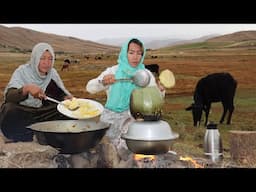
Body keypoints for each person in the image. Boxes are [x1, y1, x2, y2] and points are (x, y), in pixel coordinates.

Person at [86, 38, 164, 157]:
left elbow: (156, 101)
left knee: (129, 155)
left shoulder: (145, 75)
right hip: (109, 121)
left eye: (139, 53)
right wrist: (103, 82)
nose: (135, 57)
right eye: (131, 52)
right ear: (124, 53)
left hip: (134, 120)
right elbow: (90, 88)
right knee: (105, 154)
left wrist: (161, 91)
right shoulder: (113, 71)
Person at [0, 42, 73, 142]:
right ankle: (33, 134)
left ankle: (40, 133)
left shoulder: (52, 74)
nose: (46, 62)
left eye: (50, 59)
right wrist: (27, 89)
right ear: (35, 58)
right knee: (9, 110)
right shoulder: (22, 71)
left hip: (43, 113)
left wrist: (66, 98)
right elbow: (9, 97)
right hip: (23, 112)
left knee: (64, 110)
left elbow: (60, 94)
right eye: (42, 58)